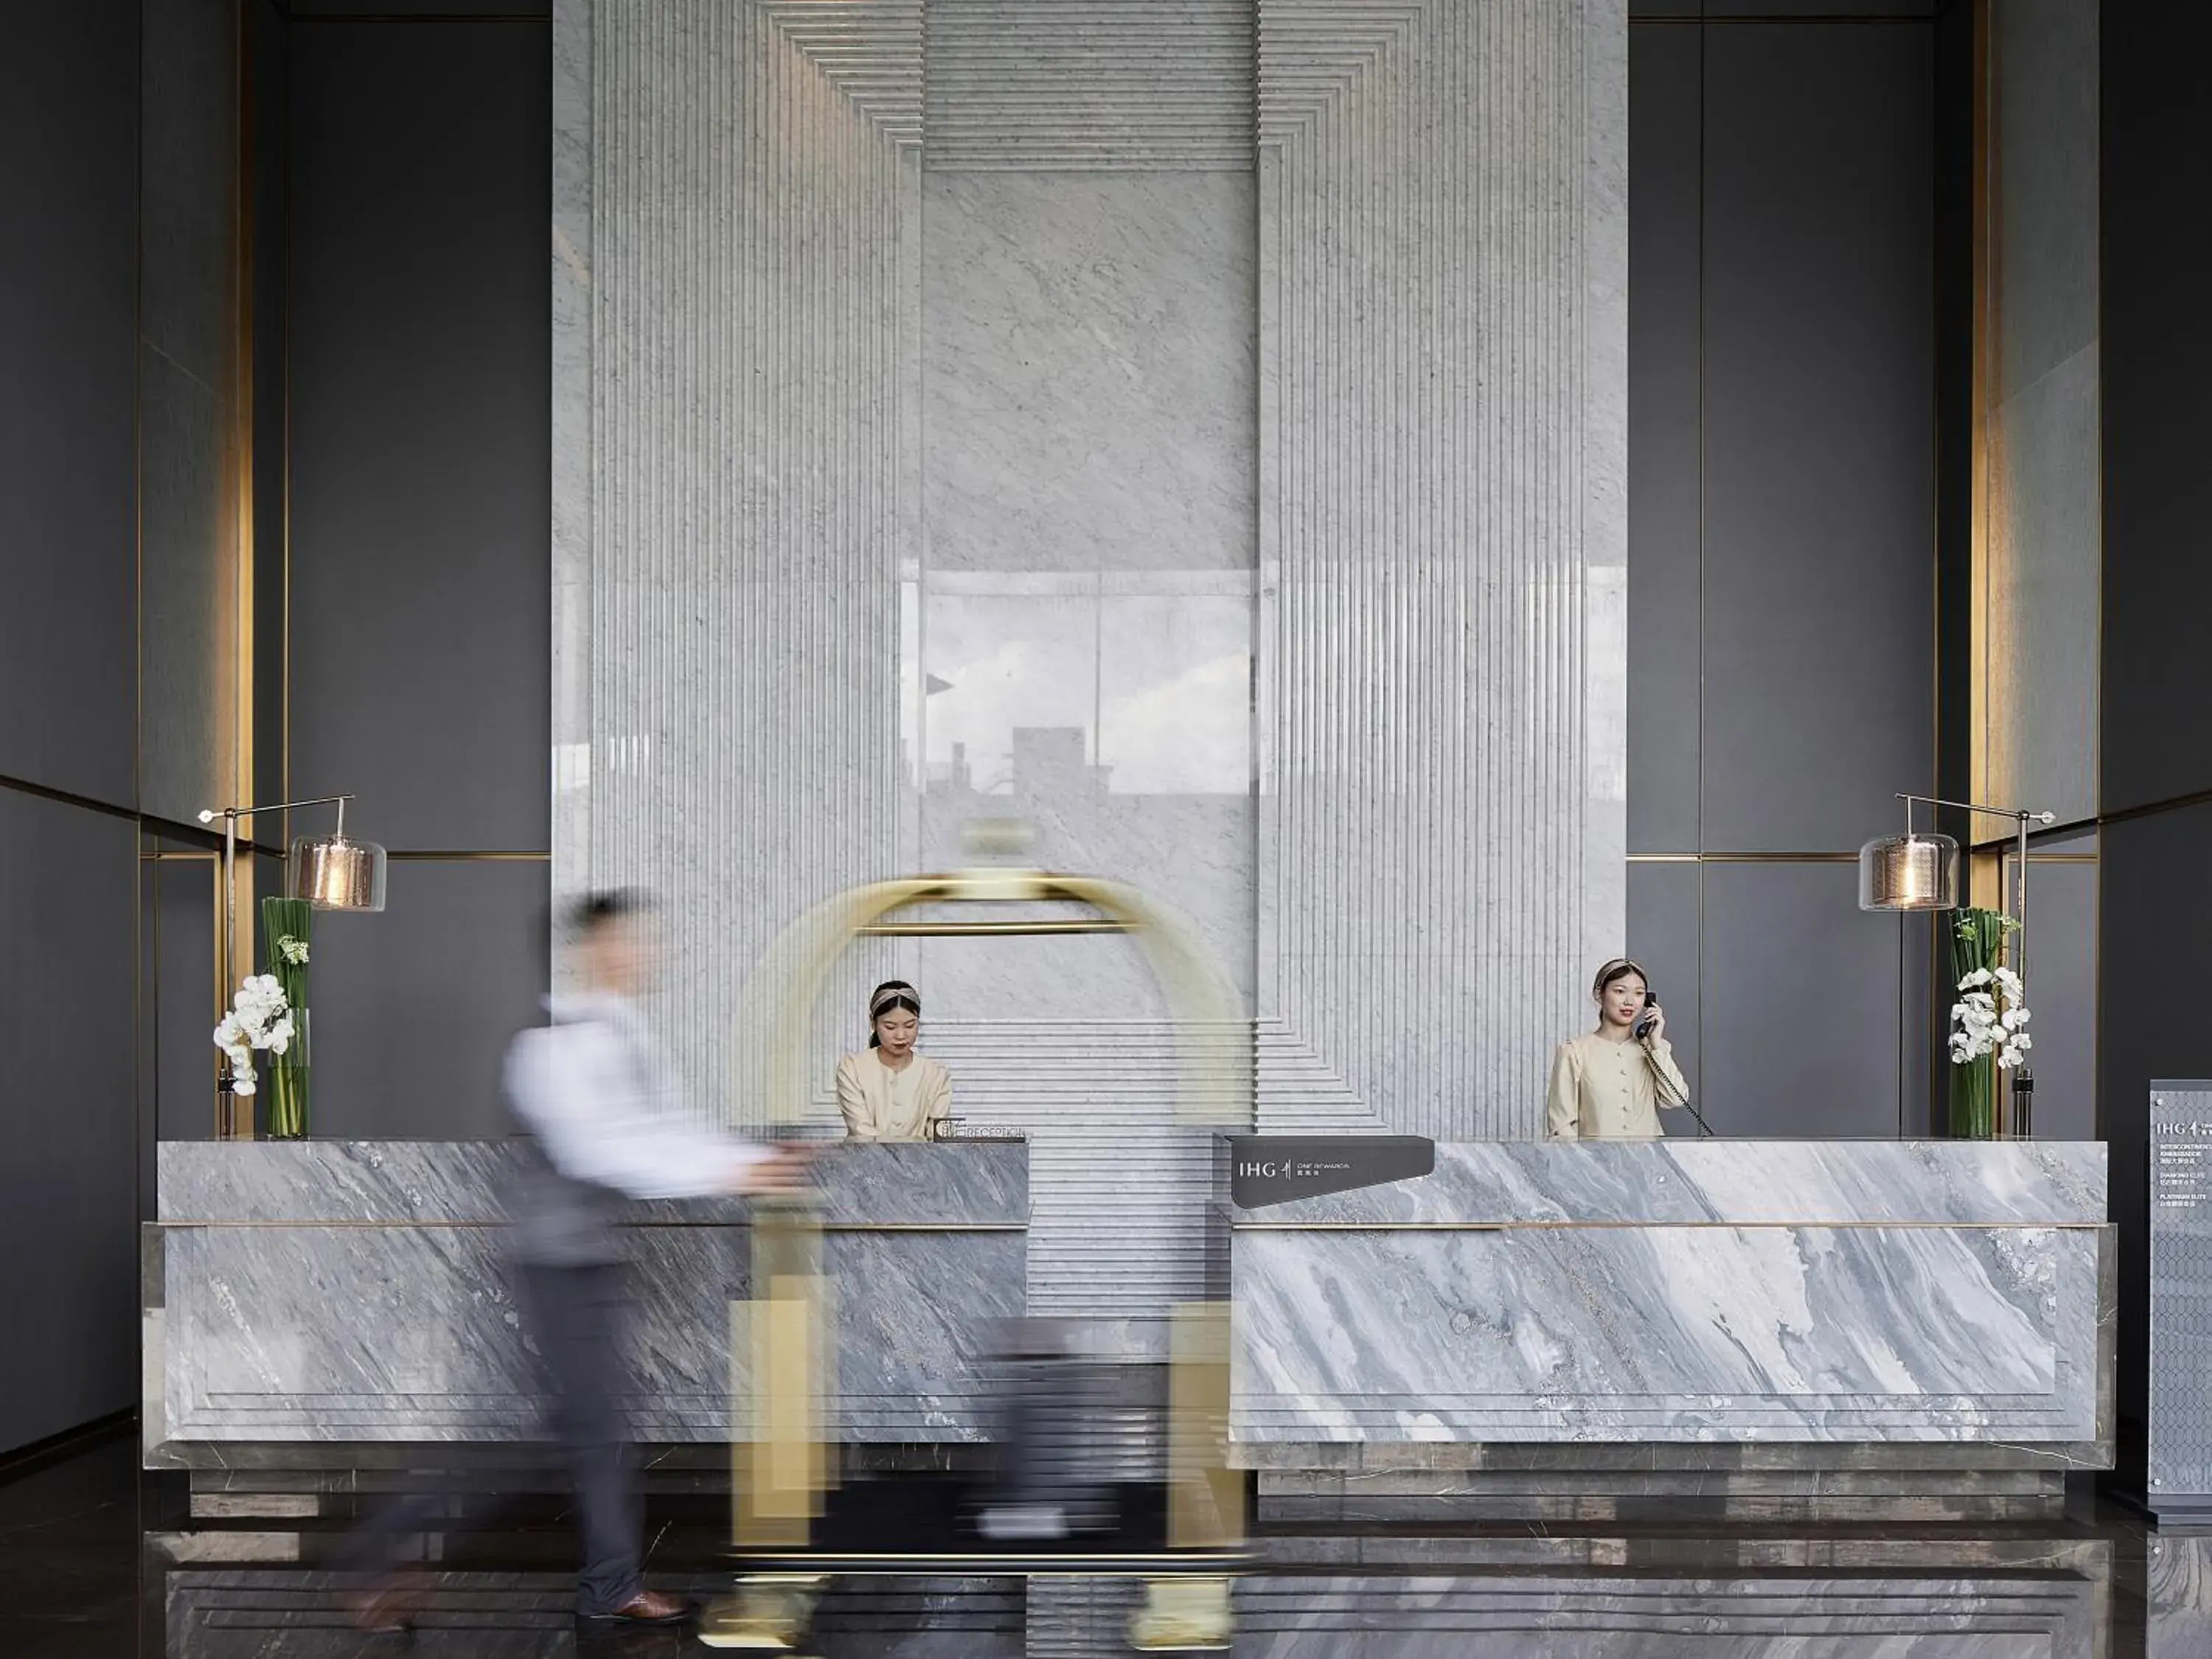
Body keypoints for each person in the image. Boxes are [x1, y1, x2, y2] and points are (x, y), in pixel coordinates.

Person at [349, 891, 806, 1633]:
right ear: (591, 948)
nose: (642, 953)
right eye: (628, 940)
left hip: (590, 1260)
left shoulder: (623, 1033)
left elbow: (667, 1130)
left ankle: (608, 1583)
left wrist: (752, 1159)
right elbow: (602, 1150)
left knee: (591, 1430)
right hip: (551, 1263)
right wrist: (736, 1174)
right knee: (554, 1437)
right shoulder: (551, 1043)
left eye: (644, 940)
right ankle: (385, 1554)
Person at [1545, 957, 1694, 1140]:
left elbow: (1676, 1099)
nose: (1630, 1001)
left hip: (1650, 1162)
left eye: (1639, 993)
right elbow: (1562, 1126)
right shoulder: (1574, 1052)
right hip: (1596, 1164)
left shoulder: (1654, 1049)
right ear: (1600, 994)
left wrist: (1655, 1043)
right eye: (1620, 991)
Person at [835, 980, 952, 1141]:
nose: (901, 1036)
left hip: (921, 1164)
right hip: (863, 1163)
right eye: (890, 1027)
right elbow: (862, 1132)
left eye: (910, 1026)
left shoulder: (936, 1074)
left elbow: (940, 1137)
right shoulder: (852, 1068)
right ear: (873, 1023)